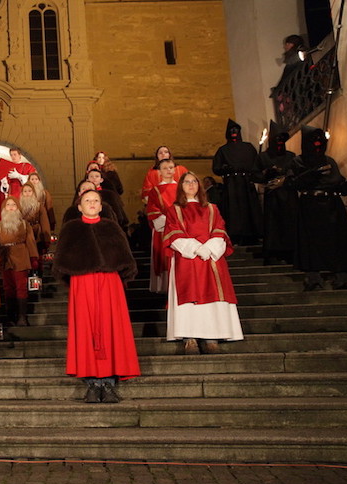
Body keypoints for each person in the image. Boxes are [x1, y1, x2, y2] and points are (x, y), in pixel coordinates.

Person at [53, 189, 139, 403]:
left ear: (101, 206)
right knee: (86, 331)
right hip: (82, 284)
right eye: (87, 201)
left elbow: (126, 258)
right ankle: (92, 383)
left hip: (110, 284)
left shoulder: (111, 227)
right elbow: (61, 262)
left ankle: (108, 383)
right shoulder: (71, 229)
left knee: (111, 330)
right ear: (79, 207)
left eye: (95, 201)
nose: (92, 203)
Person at [163, 172, 243, 354]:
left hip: (211, 258)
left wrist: (209, 248)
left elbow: (219, 230)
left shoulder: (212, 208)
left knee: (213, 296)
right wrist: (195, 248)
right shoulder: (174, 210)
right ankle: (189, 338)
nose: (191, 185)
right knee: (189, 297)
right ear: (181, 186)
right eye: (186, 182)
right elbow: (173, 233)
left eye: (194, 181)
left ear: (199, 185)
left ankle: (212, 337)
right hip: (187, 258)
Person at [290, 126, 347, 291]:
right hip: (310, 206)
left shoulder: (329, 161)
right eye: (314, 140)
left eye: (320, 140)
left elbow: (337, 182)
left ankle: (341, 275)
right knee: (311, 242)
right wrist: (312, 174)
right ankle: (313, 276)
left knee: (338, 239)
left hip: (332, 205)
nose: (317, 144)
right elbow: (294, 183)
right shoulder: (298, 161)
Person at [212, 119, 263, 244]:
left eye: (236, 130)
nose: (234, 132)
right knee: (234, 210)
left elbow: (256, 165)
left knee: (248, 208)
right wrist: (225, 169)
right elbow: (216, 168)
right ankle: (235, 234)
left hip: (246, 183)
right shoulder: (223, 150)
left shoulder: (249, 147)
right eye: (231, 130)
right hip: (232, 184)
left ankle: (252, 234)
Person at [0, 196, 39, 326]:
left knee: (21, 287)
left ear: (18, 208)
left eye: (14, 205)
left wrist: (33, 258)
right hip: (5, 258)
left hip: (21, 257)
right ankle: (11, 315)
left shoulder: (24, 225)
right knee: (8, 288)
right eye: (8, 205)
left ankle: (22, 317)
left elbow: (31, 242)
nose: (11, 207)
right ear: (3, 208)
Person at [257, 120, 298, 264]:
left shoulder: (291, 156)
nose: (280, 142)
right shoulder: (263, 157)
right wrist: (267, 172)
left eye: (282, 139)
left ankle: (290, 251)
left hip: (288, 194)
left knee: (289, 222)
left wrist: (286, 178)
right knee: (273, 224)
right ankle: (274, 251)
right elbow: (255, 175)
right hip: (273, 195)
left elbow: (296, 173)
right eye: (277, 139)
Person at [146, 159, 179, 293]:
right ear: (159, 172)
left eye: (171, 167)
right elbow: (153, 210)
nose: (169, 170)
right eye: (165, 168)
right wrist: (172, 220)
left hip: (181, 228)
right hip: (163, 228)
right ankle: (164, 287)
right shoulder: (155, 191)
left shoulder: (182, 188)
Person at [20, 182, 52, 275]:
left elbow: (45, 223)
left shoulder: (39, 207)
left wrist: (46, 239)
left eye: (29, 191)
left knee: (38, 258)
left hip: (37, 235)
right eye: (25, 191)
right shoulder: (19, 207)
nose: (27, 193)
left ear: (33, 193)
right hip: (24, 236)